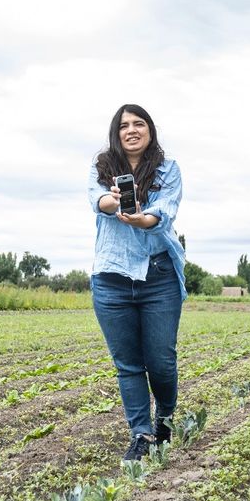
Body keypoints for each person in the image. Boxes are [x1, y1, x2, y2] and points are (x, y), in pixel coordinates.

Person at [87, 103, 186, 462]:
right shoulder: (101, 169)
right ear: (116, 133)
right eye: (124, 125)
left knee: (161, 361)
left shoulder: (168, 169)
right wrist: (113, 203)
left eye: (138, 124)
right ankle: (141, 434)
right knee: (128, 364)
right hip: (112, 278)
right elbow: (96, 201)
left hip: (158, 276)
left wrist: (145, 219)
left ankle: (165, 418)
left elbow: (167, 208)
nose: (131, 130)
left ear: (149, 130)